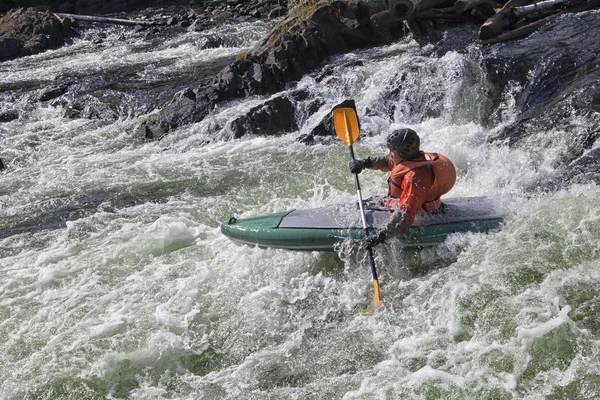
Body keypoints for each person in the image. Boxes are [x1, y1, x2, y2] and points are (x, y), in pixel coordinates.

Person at [349, 128, 456, 248]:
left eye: (392, 151)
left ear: (402, 153)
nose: (390, 154)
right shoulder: (408, 157)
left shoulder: (415, 178)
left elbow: (405, 215)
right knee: (361, 204)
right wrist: (365, 163)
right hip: (409, 202)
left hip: (424, 213)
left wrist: (381, 236)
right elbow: (387, 161)